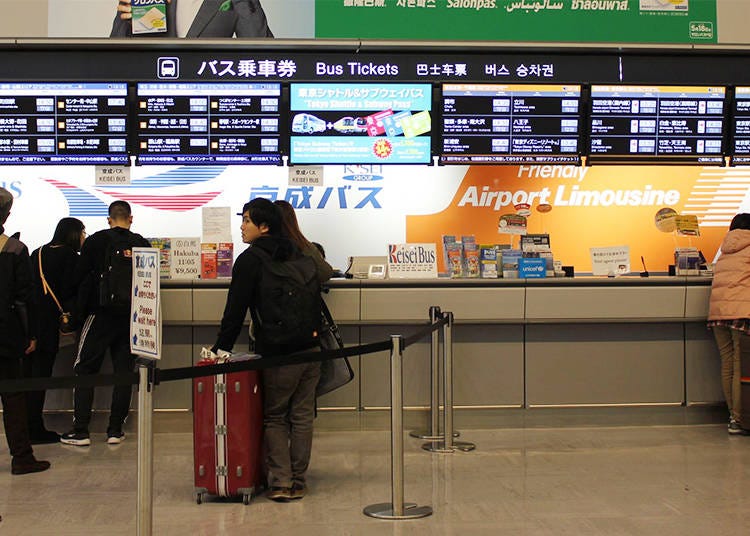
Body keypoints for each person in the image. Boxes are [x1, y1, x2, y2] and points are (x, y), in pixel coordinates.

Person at [210, 198, 330, 502]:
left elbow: (234, 311)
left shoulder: (251, 259)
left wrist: (220, 349)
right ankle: (300, 480)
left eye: (247, 220)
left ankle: (281, 482)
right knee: (302, 416)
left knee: (275, 415)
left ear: (264, 226)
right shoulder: (301, 254)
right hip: (312, 348)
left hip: (279, 351)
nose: (241, 226)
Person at [60, 201, 150, 447]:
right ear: (130, 218)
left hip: (99, 315)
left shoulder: (96, 241)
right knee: (124, 372)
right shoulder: (142, 243)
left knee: (85, 369)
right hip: (131, 317)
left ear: (109, 219)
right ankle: (115, 430)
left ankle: (81, 431)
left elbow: (78, 277)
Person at [0, 187, 51, 474]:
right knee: (13, 397)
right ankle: (22, 457)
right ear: (6, 214)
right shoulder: (14, 249)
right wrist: (30, 335)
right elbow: (23, 298)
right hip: (5, 334)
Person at [26, 218, 86, 444]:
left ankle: (27, 425)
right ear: (73, 234)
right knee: (41, 376)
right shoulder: (71, 258)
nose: (83, 238)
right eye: (82, 233)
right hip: (52, 324)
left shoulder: (37, 252)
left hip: (32, 323)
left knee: (30, 376)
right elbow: (72, 290)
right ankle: (34, 428)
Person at [708, 212, 750, 435]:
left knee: (728, 364)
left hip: (718, 313)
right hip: (743, 312)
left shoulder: (725, 251)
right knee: (740, 366)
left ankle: (733, 416)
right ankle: (740, 419)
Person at [111, 0, 274, 38]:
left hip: (207, 104)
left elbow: (267, 57)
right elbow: (113, 60)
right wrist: (129, 23)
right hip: (153, 102)